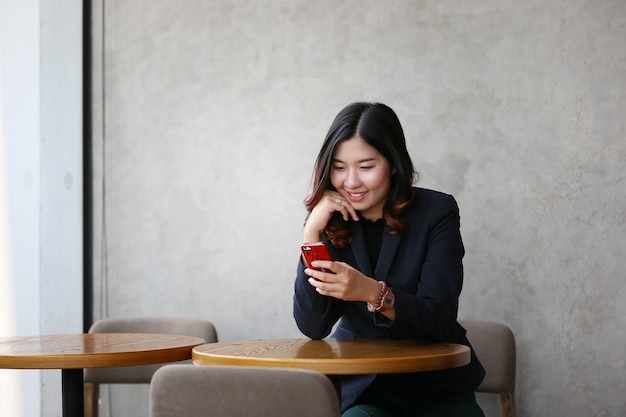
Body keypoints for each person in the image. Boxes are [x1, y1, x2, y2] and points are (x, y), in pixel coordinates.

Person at [293, 102, 486, 417]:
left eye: (366, 166)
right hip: (365, 390)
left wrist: (372, 292)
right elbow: (313, 325)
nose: (351, 181)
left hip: (437, 387)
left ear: (393, 163)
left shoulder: (436, 212)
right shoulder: (330, 220)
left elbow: (439, 316)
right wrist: (311, 232)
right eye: (339, 167)